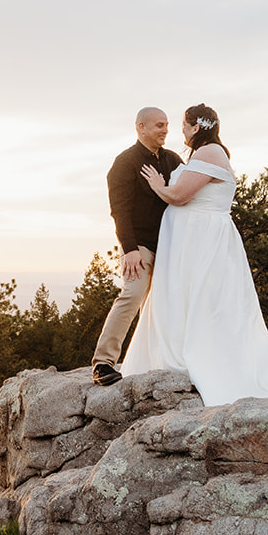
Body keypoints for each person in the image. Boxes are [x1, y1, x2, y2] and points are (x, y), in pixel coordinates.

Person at [119, 104, 268, 409]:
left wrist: (158, 185)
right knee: (191, 298)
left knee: (205, 301)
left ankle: (208, 356)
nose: (179, 131)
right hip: (192, 242)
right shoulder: (202, 154)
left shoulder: (210, 152)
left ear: (196, 128)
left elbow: (180, 195)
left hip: (203, 241)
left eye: (183, 126)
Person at [91, 106, 185, 386]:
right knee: (131, 295)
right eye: (159, 125)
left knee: (163, 304)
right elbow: (119, 209)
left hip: (170, 245)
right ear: (140, 127)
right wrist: (129, 249)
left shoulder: (173, 160)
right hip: (140, 245)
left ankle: (156, 358)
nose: (165, 130)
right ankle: (103, 363)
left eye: (167, 125)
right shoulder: (125, 162)